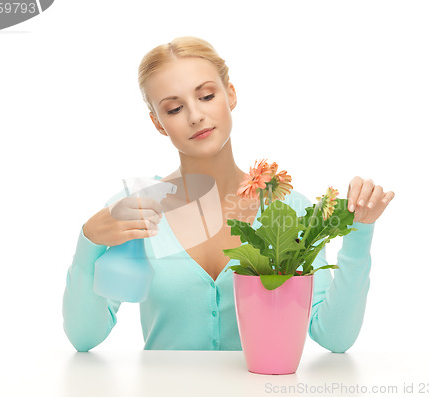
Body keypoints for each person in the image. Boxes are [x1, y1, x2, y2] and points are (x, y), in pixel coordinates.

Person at [62, 36, 394, 353]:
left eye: (206, 96)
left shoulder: (287, 208)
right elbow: (85, 337)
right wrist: (89, 241)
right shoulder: (137, 207)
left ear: (230, 94)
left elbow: (333, 335)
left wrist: (359, 230)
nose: (195, 116)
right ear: (158, 123)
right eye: (174, 109)